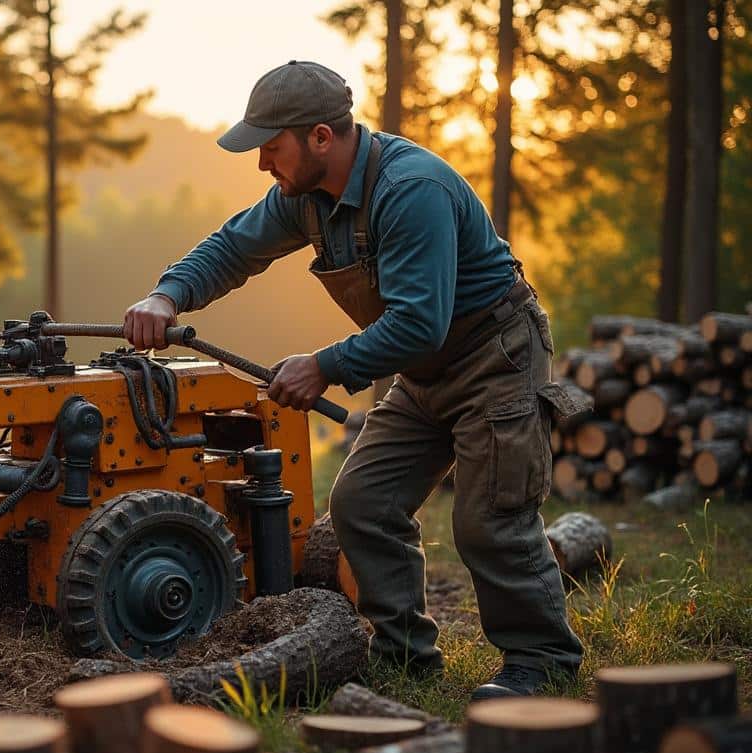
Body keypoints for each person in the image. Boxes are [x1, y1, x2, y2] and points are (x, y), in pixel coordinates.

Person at [122, 61, 587, 701]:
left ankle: (544, 664)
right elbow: (234, 248)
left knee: (489, 520)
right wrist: (167, 295)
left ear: (320, 137)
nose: (262, 163)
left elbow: (420, 325)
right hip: (426, 375)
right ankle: (405, 659)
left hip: (495, 360)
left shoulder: (411, 189)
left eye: (271, 147)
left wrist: (324, 366)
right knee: (363, 503)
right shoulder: (305, 196)